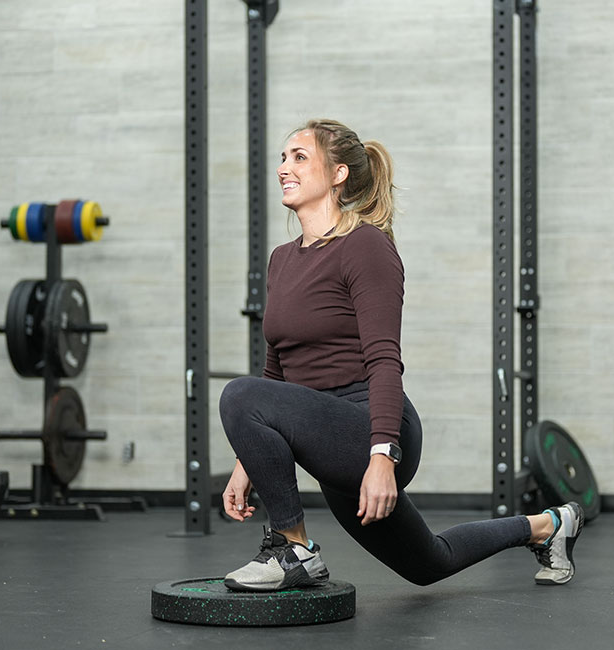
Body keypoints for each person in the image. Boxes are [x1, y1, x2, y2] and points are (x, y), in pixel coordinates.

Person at [218, 118, 584, 592]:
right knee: (429, 563)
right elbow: (276, 373)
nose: (284, 168)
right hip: (326, 434)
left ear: (339, 173)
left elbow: (384, 361)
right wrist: (247, 461)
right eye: (283, 158)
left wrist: (382, 457)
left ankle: (293, 549)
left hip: (372, 430)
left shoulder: (365, 246)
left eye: (299, 157)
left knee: (237, 394)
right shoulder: (282, 259)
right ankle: (550, 525)